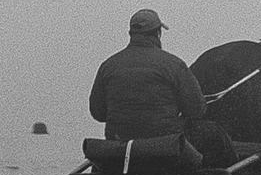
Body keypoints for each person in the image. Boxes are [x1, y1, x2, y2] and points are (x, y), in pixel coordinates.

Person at [90, 9, 216, 164]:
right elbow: (196, 110)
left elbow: (98, 113)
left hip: (119, 142)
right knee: (215, 134)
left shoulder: (108, 66)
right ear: (158, 33)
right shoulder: (174, 65)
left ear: (131, 33)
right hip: (165, 143)